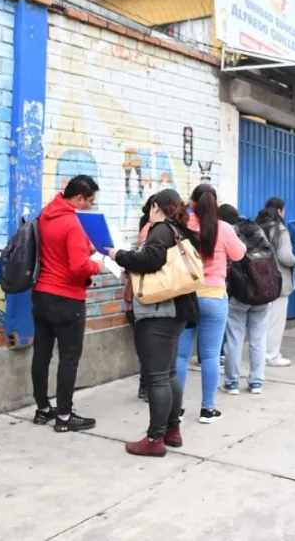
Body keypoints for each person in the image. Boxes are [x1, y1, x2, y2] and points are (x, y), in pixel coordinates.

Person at [109, 190, 199, 456]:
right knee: (168, 374)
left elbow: (150, 260)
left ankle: (154, 438)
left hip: (159, 311)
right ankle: (172, 430)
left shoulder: (160, 229)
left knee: (157, 377)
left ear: (157, 207)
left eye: (150, 207)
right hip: (176, 310)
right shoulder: (178, 230)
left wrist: (119, 255)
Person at [29, 175, 101, 433]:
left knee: (42, 354)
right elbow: (79, 267)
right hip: (67, 298)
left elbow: (57, 250)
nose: (90, 207)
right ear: (79, 198)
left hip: (41, 294)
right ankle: (64, 416)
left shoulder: (46, 215)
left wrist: (84, 249)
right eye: (90, 202)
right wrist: (98, 265)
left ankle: (42, 409)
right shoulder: (74, 223)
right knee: (69, 358)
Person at [176, 184, 245, 424]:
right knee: (210, 356)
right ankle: (207, 409)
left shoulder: (182, 225)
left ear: (192, 202)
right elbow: (239, 254)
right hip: (214, 297)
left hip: (186, 297)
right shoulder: (223, 228)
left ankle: (177, 409)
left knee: (180, 356)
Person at [220, 206, 274, 395]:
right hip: (262, 291)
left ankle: (232, 383)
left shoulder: (229, 232)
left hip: (239, 292)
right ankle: (256, 382)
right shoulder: (258, 230)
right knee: (258, 340)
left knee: (234, 339)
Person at [256, 198, 295, 368]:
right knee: (276, 321)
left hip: (259, 280)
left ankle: (259, 354)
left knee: (261, 321)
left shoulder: (258, 227)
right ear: (280, 211)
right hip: (278, 281)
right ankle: (272, 355)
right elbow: (285, 256)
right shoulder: (280, 230)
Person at [124, 195, 157, 401]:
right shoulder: (151, 230)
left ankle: (146, 386)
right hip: (142, 298)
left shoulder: (151, 228)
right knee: (150, 347)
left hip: (138, 298)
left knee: (148, 346)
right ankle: (147, 387)